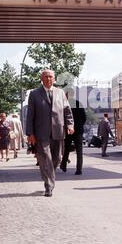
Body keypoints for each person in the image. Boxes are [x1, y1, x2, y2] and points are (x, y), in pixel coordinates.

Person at [26, 69, 74, 197]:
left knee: (57, 158)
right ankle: (49, 186)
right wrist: (30, 133)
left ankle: (49, 178)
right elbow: (30, 115)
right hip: (41, 132)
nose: (48, 79)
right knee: (46, 158)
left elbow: (67, 111)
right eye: (46, 77)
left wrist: (70, 124)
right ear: (42, 78)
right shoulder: (34, 94)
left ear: (54, 79)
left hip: (58, 131)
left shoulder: (60, 93)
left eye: (51, 77)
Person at [60, 97, 87, 175]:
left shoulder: (65, 104)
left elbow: (62, 118)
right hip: (78, 130)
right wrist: (80, 125)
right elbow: (84, 117)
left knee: (67, 148)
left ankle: (63, 165)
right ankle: (79, 169)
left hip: (68, 129)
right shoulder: (79, 103)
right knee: (79, 150)